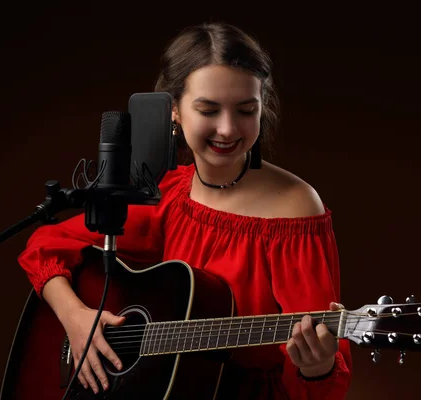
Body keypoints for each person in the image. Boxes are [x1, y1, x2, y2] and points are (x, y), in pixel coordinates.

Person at [18, 22, 352, 399]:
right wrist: (76, 318)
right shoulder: (172, 193)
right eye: (208, 109)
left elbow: (323, 372)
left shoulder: (296, 209)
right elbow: (48, 241)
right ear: (174, 110)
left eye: (245, 110)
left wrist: (317, 366)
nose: (227, 129)